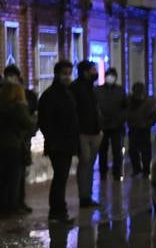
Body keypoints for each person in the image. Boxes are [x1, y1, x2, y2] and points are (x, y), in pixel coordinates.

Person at [38, 61, 80, 223]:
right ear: (57, 74)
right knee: (60, 178)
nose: (67, 76)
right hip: (58, 144)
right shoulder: (50, 95)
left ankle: (60, 211)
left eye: (69, 72)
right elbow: (45, 121)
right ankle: (57, 212)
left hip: (67, 143)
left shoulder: (67, 93)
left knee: (61, 178)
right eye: (65, 73)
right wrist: (53, 139)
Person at [3, 65, 39, 211]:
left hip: (18, 141)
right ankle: (13, 205)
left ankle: (16, 203)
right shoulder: (18, 105)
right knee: (15, 175)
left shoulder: (26, 96)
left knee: (14, 175)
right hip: (16, 142)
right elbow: (29, 122)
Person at [72, 60, 101, 207]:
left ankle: (88, 195)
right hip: (82, 131)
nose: (95, 73)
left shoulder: (92, 88)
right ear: (85, 72)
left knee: (90, 164)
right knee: (84, 163)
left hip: (95, 131)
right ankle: (83, 196)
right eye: (93, 70)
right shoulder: (76, 88)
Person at [97, 67, 128, 178]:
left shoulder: (120, 90)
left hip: (117, 125)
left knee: (117, 151)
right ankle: (103, 172)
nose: (110, 78)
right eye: (108, 75)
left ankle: (117, 172)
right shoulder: (98, 90)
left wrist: (122, 119)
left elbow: (125, 107)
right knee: (102, 151)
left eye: (112, 76)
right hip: (103, 126)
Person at [127, 82, 156, 177]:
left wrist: (147, 124)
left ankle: (146, 170)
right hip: (133, 128)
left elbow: (154, 116)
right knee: (133, 150)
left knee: (145, 151)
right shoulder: (129, 101)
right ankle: (136, 169)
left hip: (144, 129)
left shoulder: (149, 101)